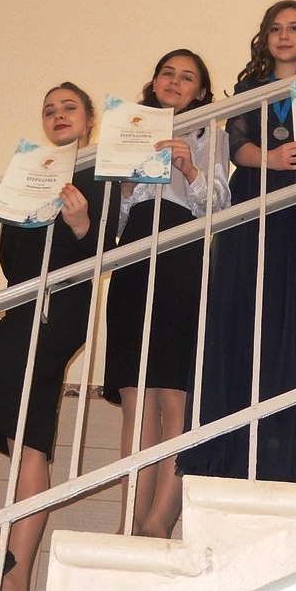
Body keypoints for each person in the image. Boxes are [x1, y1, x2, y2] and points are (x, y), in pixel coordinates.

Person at [0, 83, 119, 591]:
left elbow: (107, 250)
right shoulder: (26, 175)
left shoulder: (100, 171)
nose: (58, 116)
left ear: (89, 120)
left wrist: (82, 224)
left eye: (69, 108)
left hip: (58, 308)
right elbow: (17, 264)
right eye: (49, 110)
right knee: (27, 440)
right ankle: (13, 581)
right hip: (27, 306)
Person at [177, 1, 296, 483]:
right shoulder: (250, 90)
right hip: (255, 203)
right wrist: (273, 158)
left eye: (294, 27)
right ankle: (235, 448)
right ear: (265, 37)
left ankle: (288, 447)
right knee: (247, 312)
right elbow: (237, 145)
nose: (284, 35)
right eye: (276, 28)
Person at [103, 50, 230, 538]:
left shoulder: (211, 134)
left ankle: (159, 521)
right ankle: (129, 521)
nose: (175, 82)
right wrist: (123, 187)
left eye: (187, 77)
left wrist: (189, 169)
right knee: (136, 397)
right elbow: (113, 225)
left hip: (183, 254)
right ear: (154, 82)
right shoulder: (128, 132)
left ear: (201, 91)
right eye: (168, 74)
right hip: (134, 255)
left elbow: (220, 207)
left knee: (175, 392)